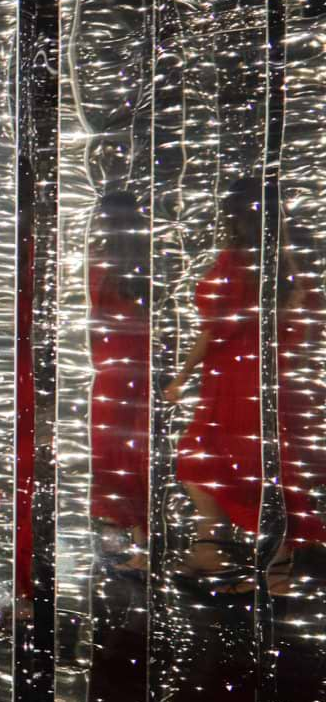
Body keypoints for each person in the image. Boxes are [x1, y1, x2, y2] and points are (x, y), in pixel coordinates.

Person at [165, 178, 325, 594]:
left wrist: (181, 377)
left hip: (235, 378)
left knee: (205, 460)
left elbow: (213, 330)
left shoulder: (236, 261)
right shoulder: (289, 260)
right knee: (265, 465)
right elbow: (309, 322)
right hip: (275, 375)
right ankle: (268, 566)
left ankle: (224, 552)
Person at [88, 191, 152, 574]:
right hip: (137, 371)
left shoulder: (99, 266)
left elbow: (93, 320)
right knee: (134, 453)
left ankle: (118, 539)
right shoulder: (143, 268)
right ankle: (140, 542)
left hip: (110, 373)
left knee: (110, 453)